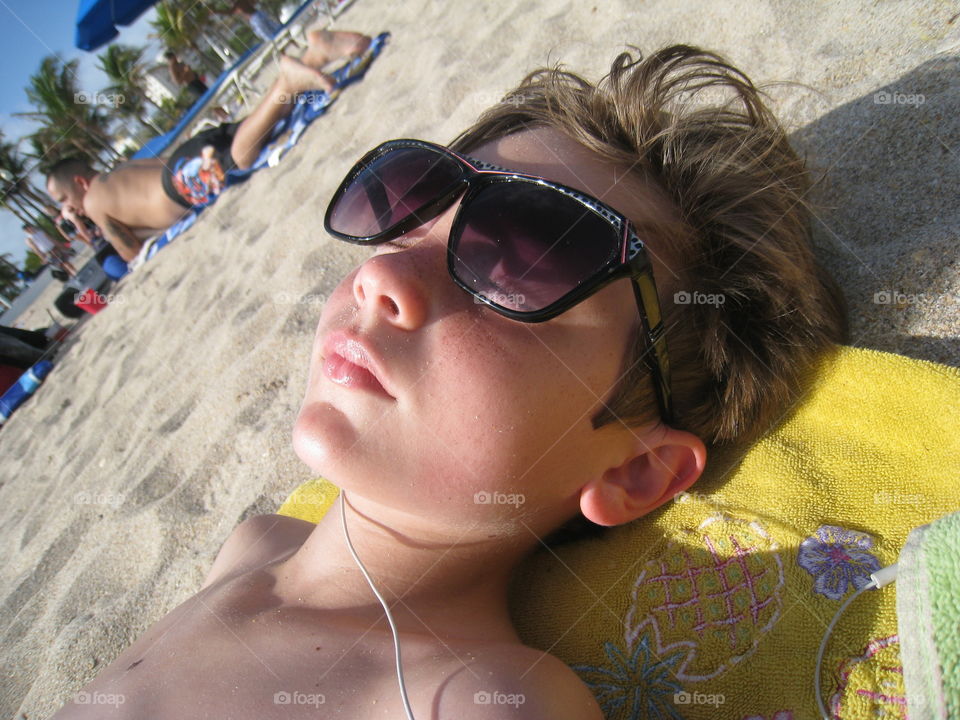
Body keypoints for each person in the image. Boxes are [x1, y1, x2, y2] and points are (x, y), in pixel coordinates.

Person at [49, 44, 846, 718]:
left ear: (635, 469)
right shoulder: (254, 543)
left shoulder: (474, 698)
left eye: (525, 258)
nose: (384, 272)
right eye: (410, 204)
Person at [46, 30, 373, 264]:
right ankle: (315, 53)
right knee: (256, 127)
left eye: (63, 200)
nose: (67, 208)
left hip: (178, 181)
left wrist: (80, 226)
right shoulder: (116, 173)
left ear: (79, 183)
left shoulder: (92, 202)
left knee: (239, 159)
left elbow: (130, 254)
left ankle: (289, 80)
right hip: (186, 154)